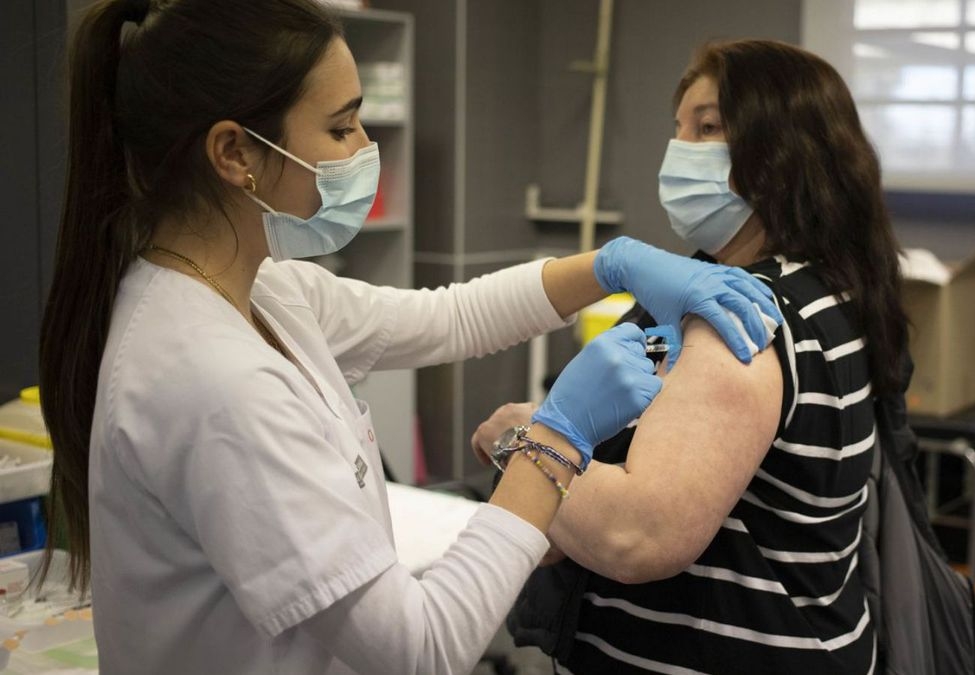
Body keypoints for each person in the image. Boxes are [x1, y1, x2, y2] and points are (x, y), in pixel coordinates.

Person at [35, 3, 784, 673]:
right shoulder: (213, 379)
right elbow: (421, 650)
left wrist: (610, 263)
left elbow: (445, 316)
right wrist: (555, 441)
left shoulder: (259, 286)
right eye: (339, 127)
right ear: (235, 154)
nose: (366, 147)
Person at [475, 40, 909, 673]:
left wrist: (520, 436)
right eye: (678, 129)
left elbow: (636, 534)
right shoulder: (827, 287)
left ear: (784, 147)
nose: (680, 151)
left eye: (708, 127)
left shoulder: (746, 315)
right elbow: (558, 535)